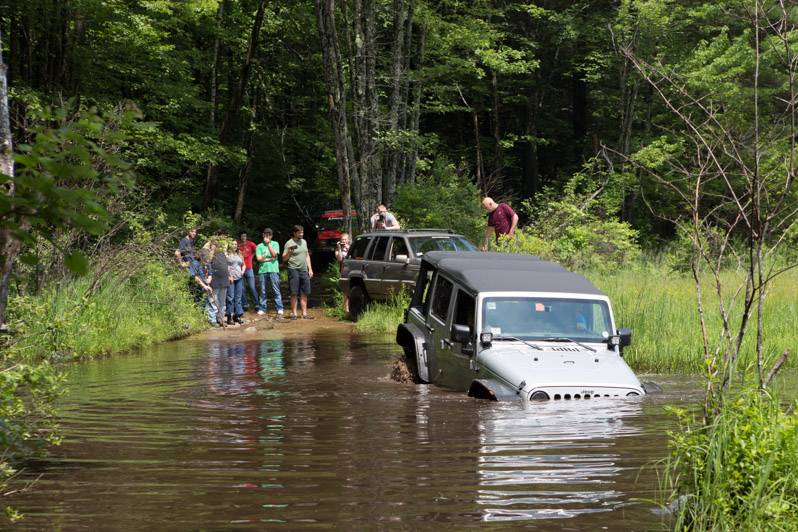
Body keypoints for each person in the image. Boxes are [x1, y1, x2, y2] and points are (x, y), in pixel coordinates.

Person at [282, 224, 314, 320]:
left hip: (304, 270)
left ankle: (304, 314)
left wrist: (310, 269)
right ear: (294, 233)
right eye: (299, 232)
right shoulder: (289, 243)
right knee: (294, 292)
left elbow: (307, 255)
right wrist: (289, 252)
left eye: (302, 232)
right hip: (293, 269)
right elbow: (284, 258)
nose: (301, 234)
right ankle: (294, 314)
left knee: (304, 292)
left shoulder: (304, 242)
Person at [256, 228, 284, 317]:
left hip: (273, 270)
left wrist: (268, 244)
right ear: (263, 235)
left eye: (269, 235)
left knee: (276, 289)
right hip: (262, 271)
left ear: (271, 236)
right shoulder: (259, 246)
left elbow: (274, 255)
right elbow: (259, 259)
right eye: (265, 234)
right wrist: (270, 259)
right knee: (263, 291)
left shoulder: (275, 243)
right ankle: (262, 308)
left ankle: (279, 308)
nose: (267, 236)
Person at [209, 239, 231, 328]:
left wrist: (229, 275)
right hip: (215, 279)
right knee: (214, 299)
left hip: (224, 278)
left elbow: (228, 265)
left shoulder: (224, 254)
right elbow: (207, 261)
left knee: (222, 301)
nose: (222, 246)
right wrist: (213, 250)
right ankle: (212, 319)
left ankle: (220, 318)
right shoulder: (211, 253)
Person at [191, 248, 216, 325]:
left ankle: (208, 321)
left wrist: (209, 280)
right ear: (202, 256)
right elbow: (195, 277)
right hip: (196, 288)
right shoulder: (195, 263)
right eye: (206, 257)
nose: (207, 260)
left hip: (204, 287)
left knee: (205, 303)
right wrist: (204, 286)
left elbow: (208, 274)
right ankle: (198, 322)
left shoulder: (205, 263)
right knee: (198, 305)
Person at [238, 231, 259, 313]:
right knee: (242, 288)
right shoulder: (238, 244)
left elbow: (257, 250)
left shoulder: (250, 244)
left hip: (249, 268)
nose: (244, 237)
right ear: (240, 237)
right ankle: (245, 304)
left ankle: (256, 304)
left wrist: (252, 256)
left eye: (245, 236)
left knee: (252, 287)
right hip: (240, 269)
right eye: (242, 236)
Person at [225, 240, 245, 325]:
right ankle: (229, 316)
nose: (234, 245)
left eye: (236, 244)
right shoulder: (227, 254)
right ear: (230, 246)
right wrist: (229, 276)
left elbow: (244, 264)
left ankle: (237, 316)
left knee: (238, 297)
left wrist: (243, 271)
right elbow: (225, 266)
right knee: (230, 297)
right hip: (231, 278)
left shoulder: (240, 254)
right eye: (232, 244)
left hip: (239, 278)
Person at [334, 232, 351, 314]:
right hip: (343, 271)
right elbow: (340, 259)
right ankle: (345, 309)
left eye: (345, 239)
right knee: (345, 291)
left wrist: (348, 248)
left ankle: (352, 308)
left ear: (348, 240)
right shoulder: (337, 249)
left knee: (351, 290)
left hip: (352, 271)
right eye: (342, 239)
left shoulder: (352, 247)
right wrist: (339, 248)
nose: (343, 241)